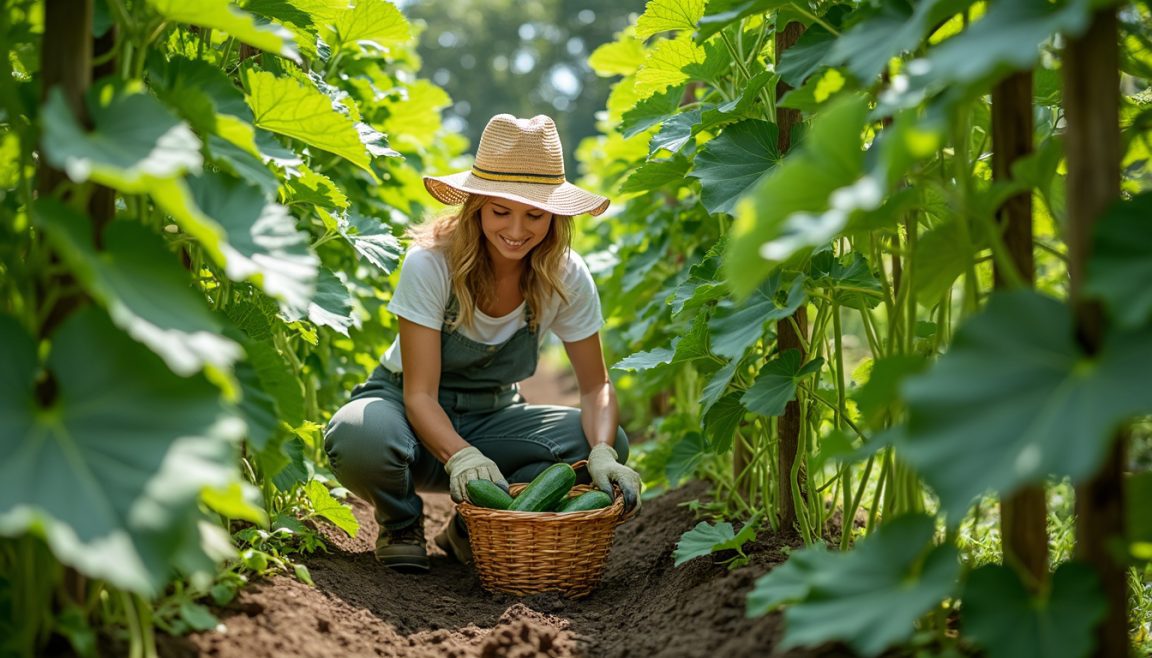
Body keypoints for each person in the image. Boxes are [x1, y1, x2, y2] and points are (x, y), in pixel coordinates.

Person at [323, 114, 641, 572]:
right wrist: (461, 455)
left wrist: (604, 451)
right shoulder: (431, 264)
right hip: (407, 416)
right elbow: (418, 394)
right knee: (360, 436)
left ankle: (473, 528)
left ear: (555, 216)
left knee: (592, 442)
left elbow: (595, 388)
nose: (517, 229)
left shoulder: (566, 274)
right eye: (500, 211)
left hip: (495, 416)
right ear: (475, 206)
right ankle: (400, 521)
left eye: (535, 214)